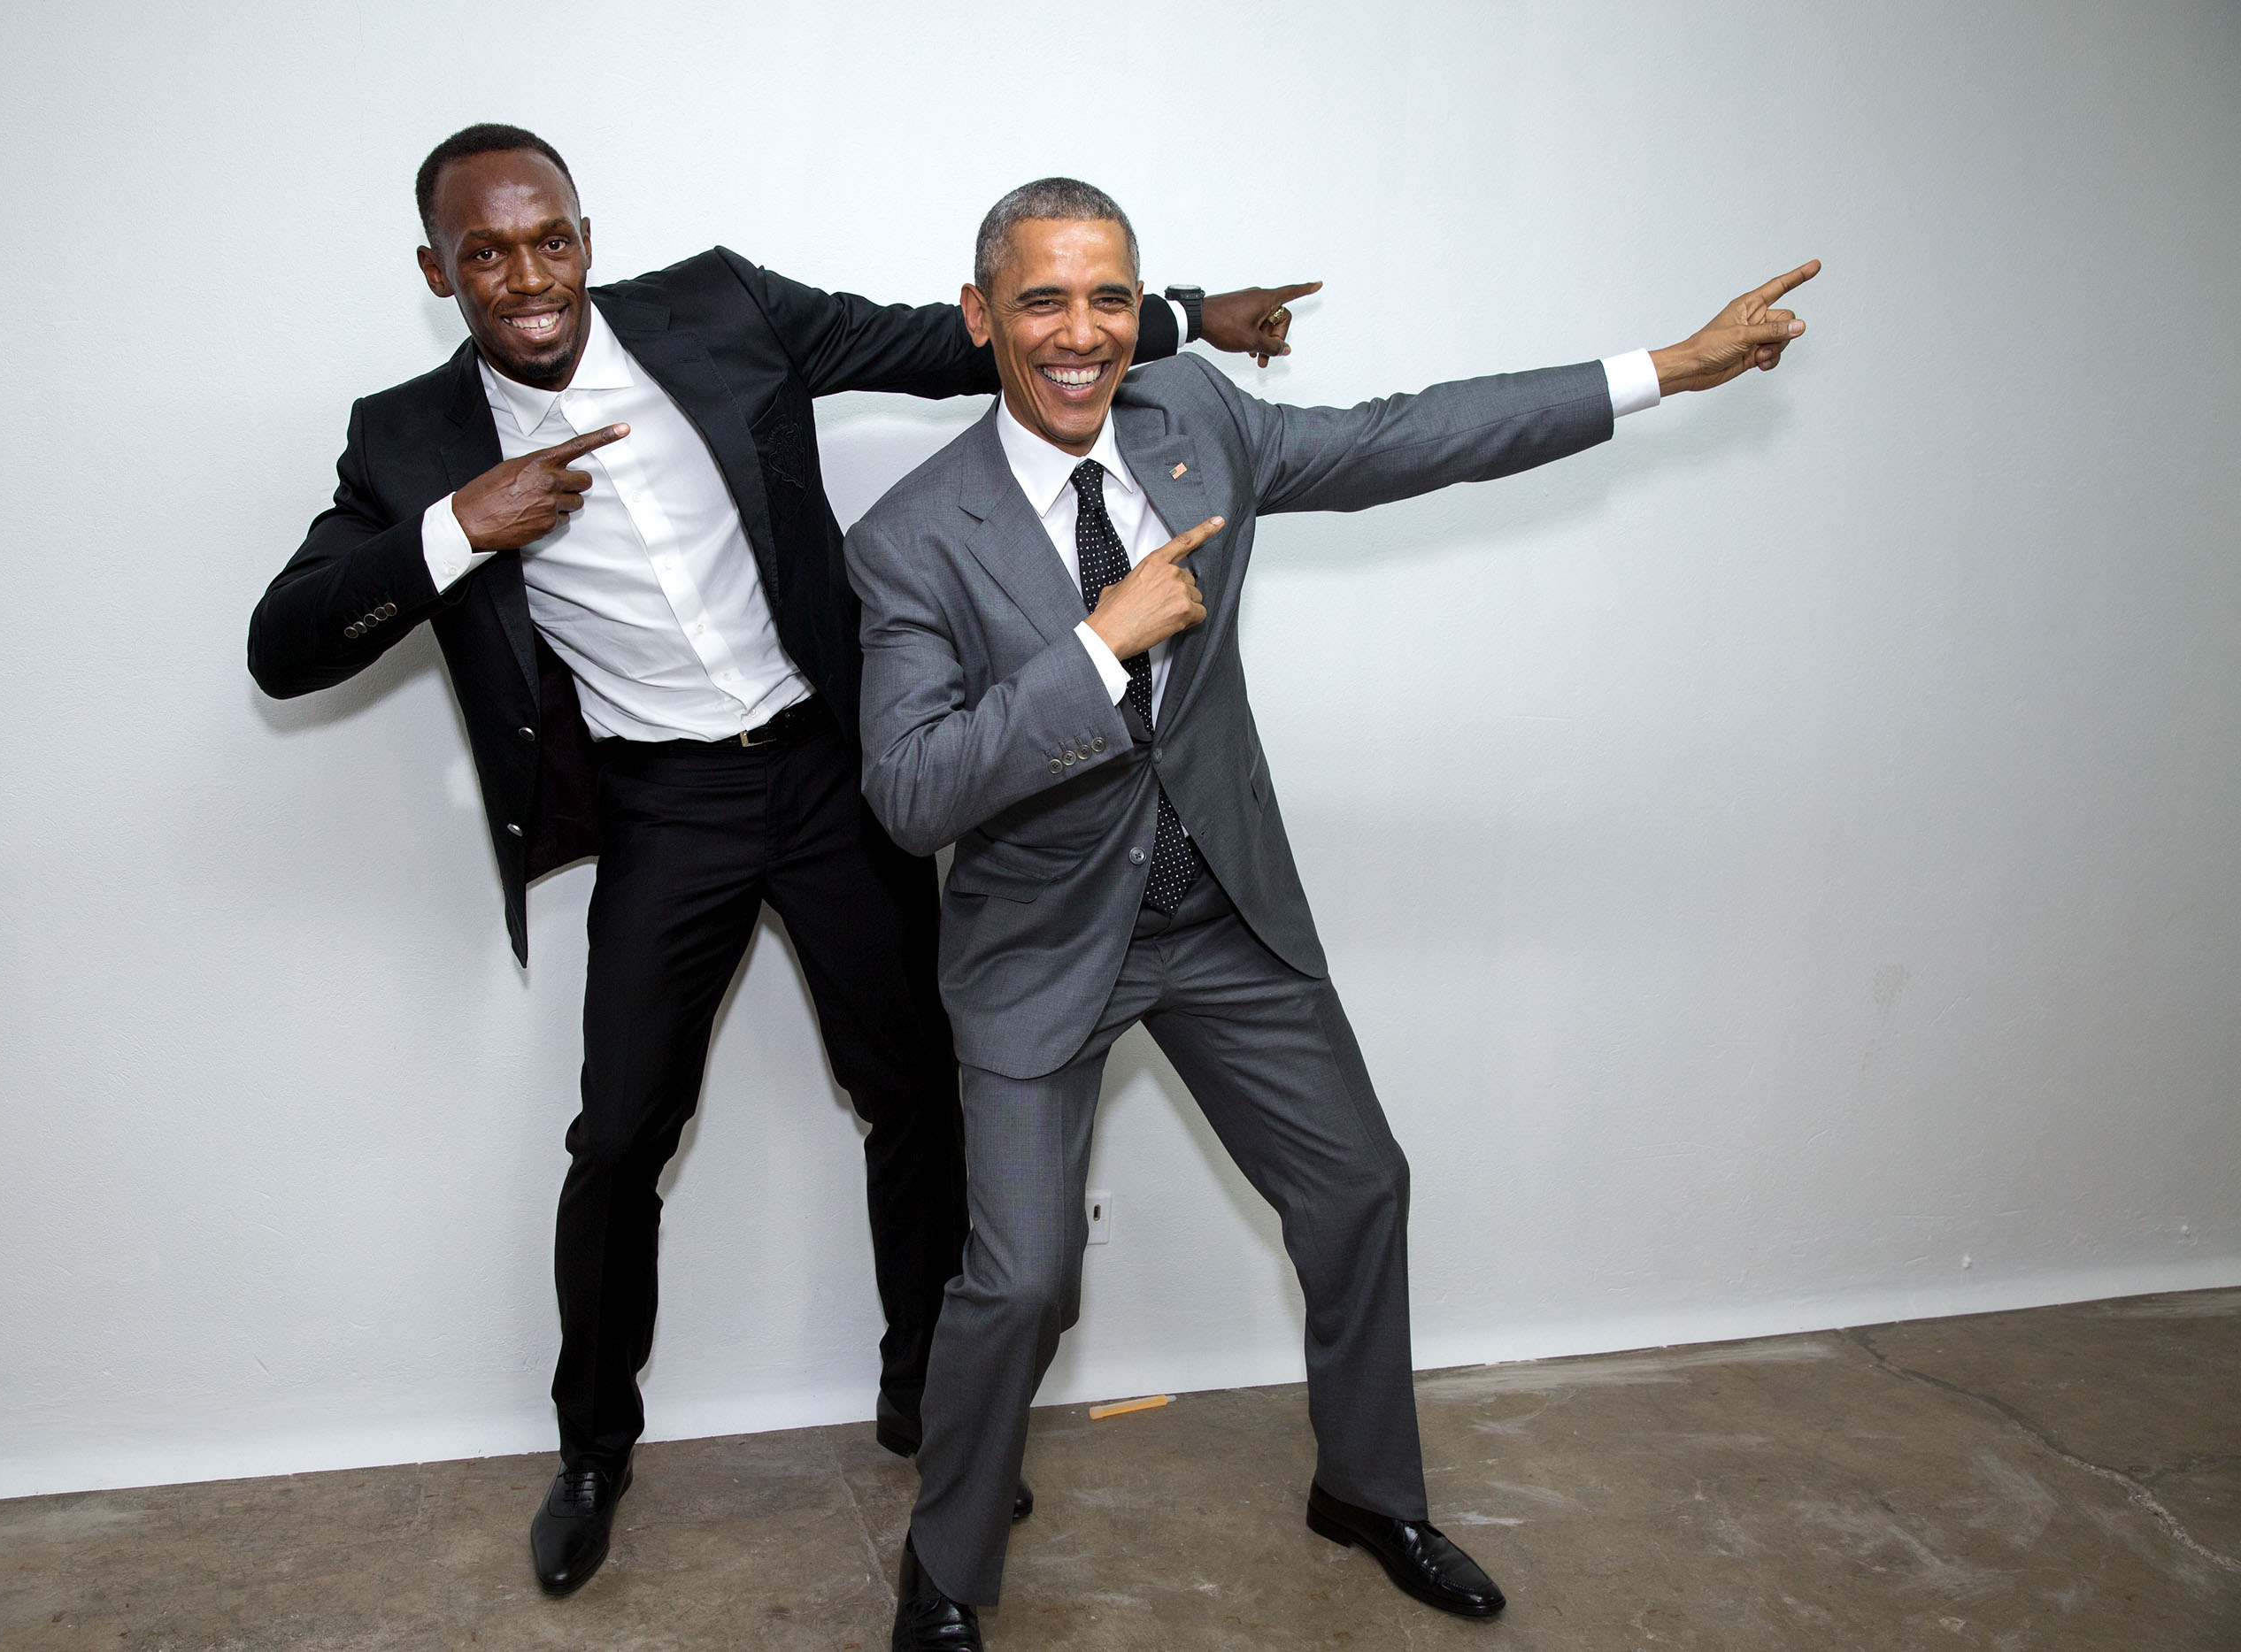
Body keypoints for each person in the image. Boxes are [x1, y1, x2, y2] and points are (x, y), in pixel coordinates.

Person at [246, 125, 1315, 1597]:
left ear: (587, 236)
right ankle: (592, 1448)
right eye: (485, 253)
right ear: (439, 273)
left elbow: (948, 342)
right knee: (619, 1135)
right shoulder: (409, 441)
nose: (525, 274)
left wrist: (1197, 311)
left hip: (831, 771)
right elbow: (284, 646)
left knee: (913, 1094)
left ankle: (926, 1402)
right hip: (665, 810)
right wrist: (452, 530)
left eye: (548, 237)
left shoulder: (719, 310)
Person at [843, 176, 1817, 1648]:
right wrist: (1096, 650)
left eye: (1109, 296)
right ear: (983, 317)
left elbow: (1404, 438)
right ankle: (948, 1561)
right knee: (1023, 1280)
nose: (1081, 332)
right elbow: (911, 794)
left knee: (1361, 1186)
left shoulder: (1194, 421)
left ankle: (1366, 1489)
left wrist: (1665, 370)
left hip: (1221, 913)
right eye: (1041, 299)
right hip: (1044, 950)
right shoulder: (911, 537)